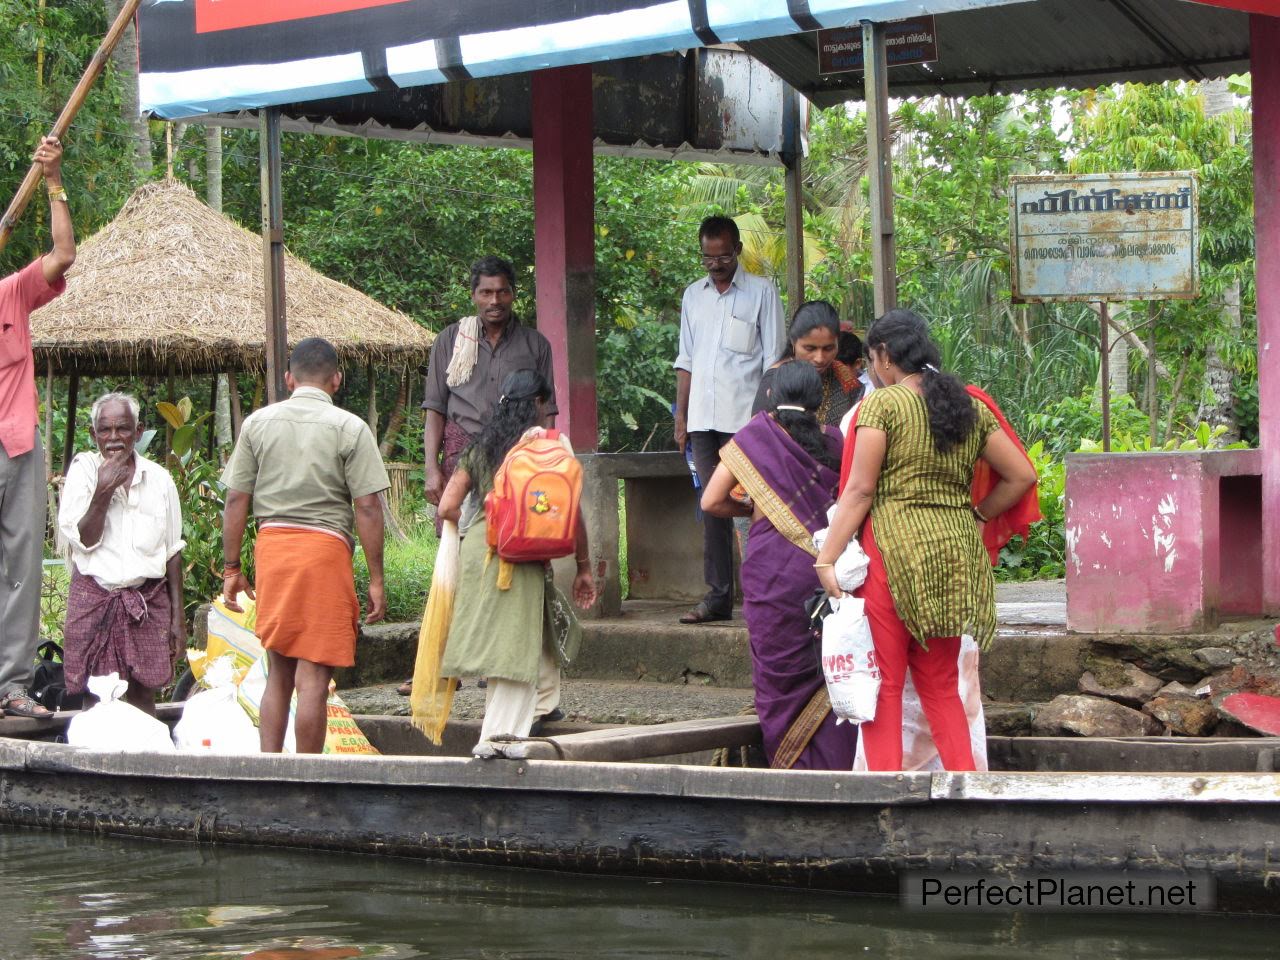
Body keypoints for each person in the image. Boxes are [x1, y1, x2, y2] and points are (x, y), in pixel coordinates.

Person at [814, 309, 1037, 772]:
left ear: (884, 357)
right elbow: (1021, 475)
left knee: (886, 686)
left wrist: (826, 558)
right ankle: (965, 796)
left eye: (873, 361)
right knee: (940, 688)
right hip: (954, 556)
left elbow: (859, 490)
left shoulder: (884, 405)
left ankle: (885, 802)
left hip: (892, 557)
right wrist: (975, 515)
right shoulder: (966, 406)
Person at [221, 338, 389, 754]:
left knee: (278, 672)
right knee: (312, 679)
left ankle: (269, 771)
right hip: (325, 554)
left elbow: (236, 498)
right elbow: (367, 507)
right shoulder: (351, 428)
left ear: (289, 378)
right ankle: (310, 780)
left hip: (273, 550)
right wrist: (377, 578)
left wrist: (231, 568)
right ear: (336, 380)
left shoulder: (258, 424)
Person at [701, 361, 855, 770]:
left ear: (769, 397)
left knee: (778, 675)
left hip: (772, 570)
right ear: (821, 403)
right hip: (826, 569)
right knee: (828, 669)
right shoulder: (838, 442)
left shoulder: (754, 439)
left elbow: (711, 501)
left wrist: (755, 506)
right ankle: (838, 766)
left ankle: (788, 768)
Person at [436, 369, 594, 757]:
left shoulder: (481, 446)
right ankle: (499, 740)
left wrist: (482, 529)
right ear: (539, 403)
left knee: (508, 638)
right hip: (524, 553)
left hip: (482, 549)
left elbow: (447, 506)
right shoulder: (554, 447)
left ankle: (537, 709)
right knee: (513, 647)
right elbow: (571, 512)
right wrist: (584, 565)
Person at [673, 215, 784, 624]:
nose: (715, 264)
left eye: (722, 256)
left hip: (745, 421)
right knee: (712, 506)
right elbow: (685, 360)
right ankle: (717, 597)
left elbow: (774, 358)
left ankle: (764, 594)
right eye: (708, 257)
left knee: (758, 506)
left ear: (736, 249)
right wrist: (680, 416)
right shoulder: (693, 296)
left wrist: (766, 418)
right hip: (702, 419)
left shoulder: (762, 292)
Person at [0, 135, 75, 719]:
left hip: (17, 447)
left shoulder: (12, 294)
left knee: (23, 570)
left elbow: (63, 253)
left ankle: (12, 684)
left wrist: (53, 182)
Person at [57, 393, 186, 715]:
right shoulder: (83, 473)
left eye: (123, 429)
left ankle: (145, 762)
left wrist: (177, 619)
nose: (114, 438)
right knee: (96, 698)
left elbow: (172, 552)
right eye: (105, 430)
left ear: (139, 431)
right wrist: (103, 490)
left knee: (144, 696)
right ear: (94, 435)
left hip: (146, 599)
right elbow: (84, 540)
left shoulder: (159, 479)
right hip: (95, 596)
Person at [421, 255, 557, 517]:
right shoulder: (449, 340)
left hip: (519, 457)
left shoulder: (536, 345)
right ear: (473, 295)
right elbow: (435, 408)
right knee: (458, 538)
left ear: (513, 294)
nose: (494, 301)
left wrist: (545, 462)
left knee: (522, 534)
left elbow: (547, 411)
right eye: (486, 293)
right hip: (462, 459)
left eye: (502, 292)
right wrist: (430, 469)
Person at [751, 301, 864, 427]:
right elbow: (758, 435)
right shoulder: (775, 379)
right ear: (794, 343)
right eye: (810, 349)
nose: (820, 358)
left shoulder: (846, 380)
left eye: (828, 348)